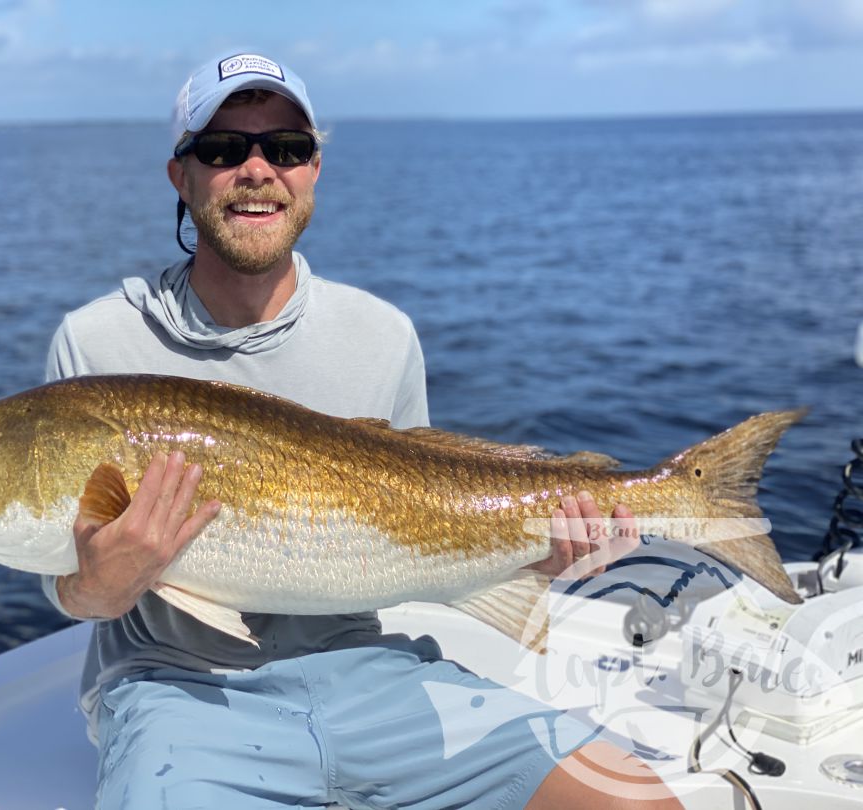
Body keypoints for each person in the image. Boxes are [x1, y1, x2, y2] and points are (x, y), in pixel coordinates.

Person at [41, 52, 683, 809]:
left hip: (370, 672)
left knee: (638, 799)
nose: (257, 169)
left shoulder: (382, 335)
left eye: (286, 148)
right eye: (222, 149)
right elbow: (68, 581)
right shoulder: (95, 346)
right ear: (180, 175)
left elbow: (423, 524)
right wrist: (95, 588)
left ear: (314, 170)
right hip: (178, 692)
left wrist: (537, 556)